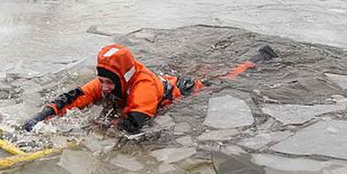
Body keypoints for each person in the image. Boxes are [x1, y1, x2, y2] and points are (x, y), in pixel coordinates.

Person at [24, 43, 277, 134]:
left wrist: (96, 130)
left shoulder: (142, 88)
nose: (104, 87)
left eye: (110, 83)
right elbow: (75, 97)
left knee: (228, 77)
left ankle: (258, 59)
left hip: (188, 91)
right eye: (102, 81)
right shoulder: (107, 82)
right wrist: (42, 116)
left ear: (124, 78)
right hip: (165, 80)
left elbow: (133, 123)